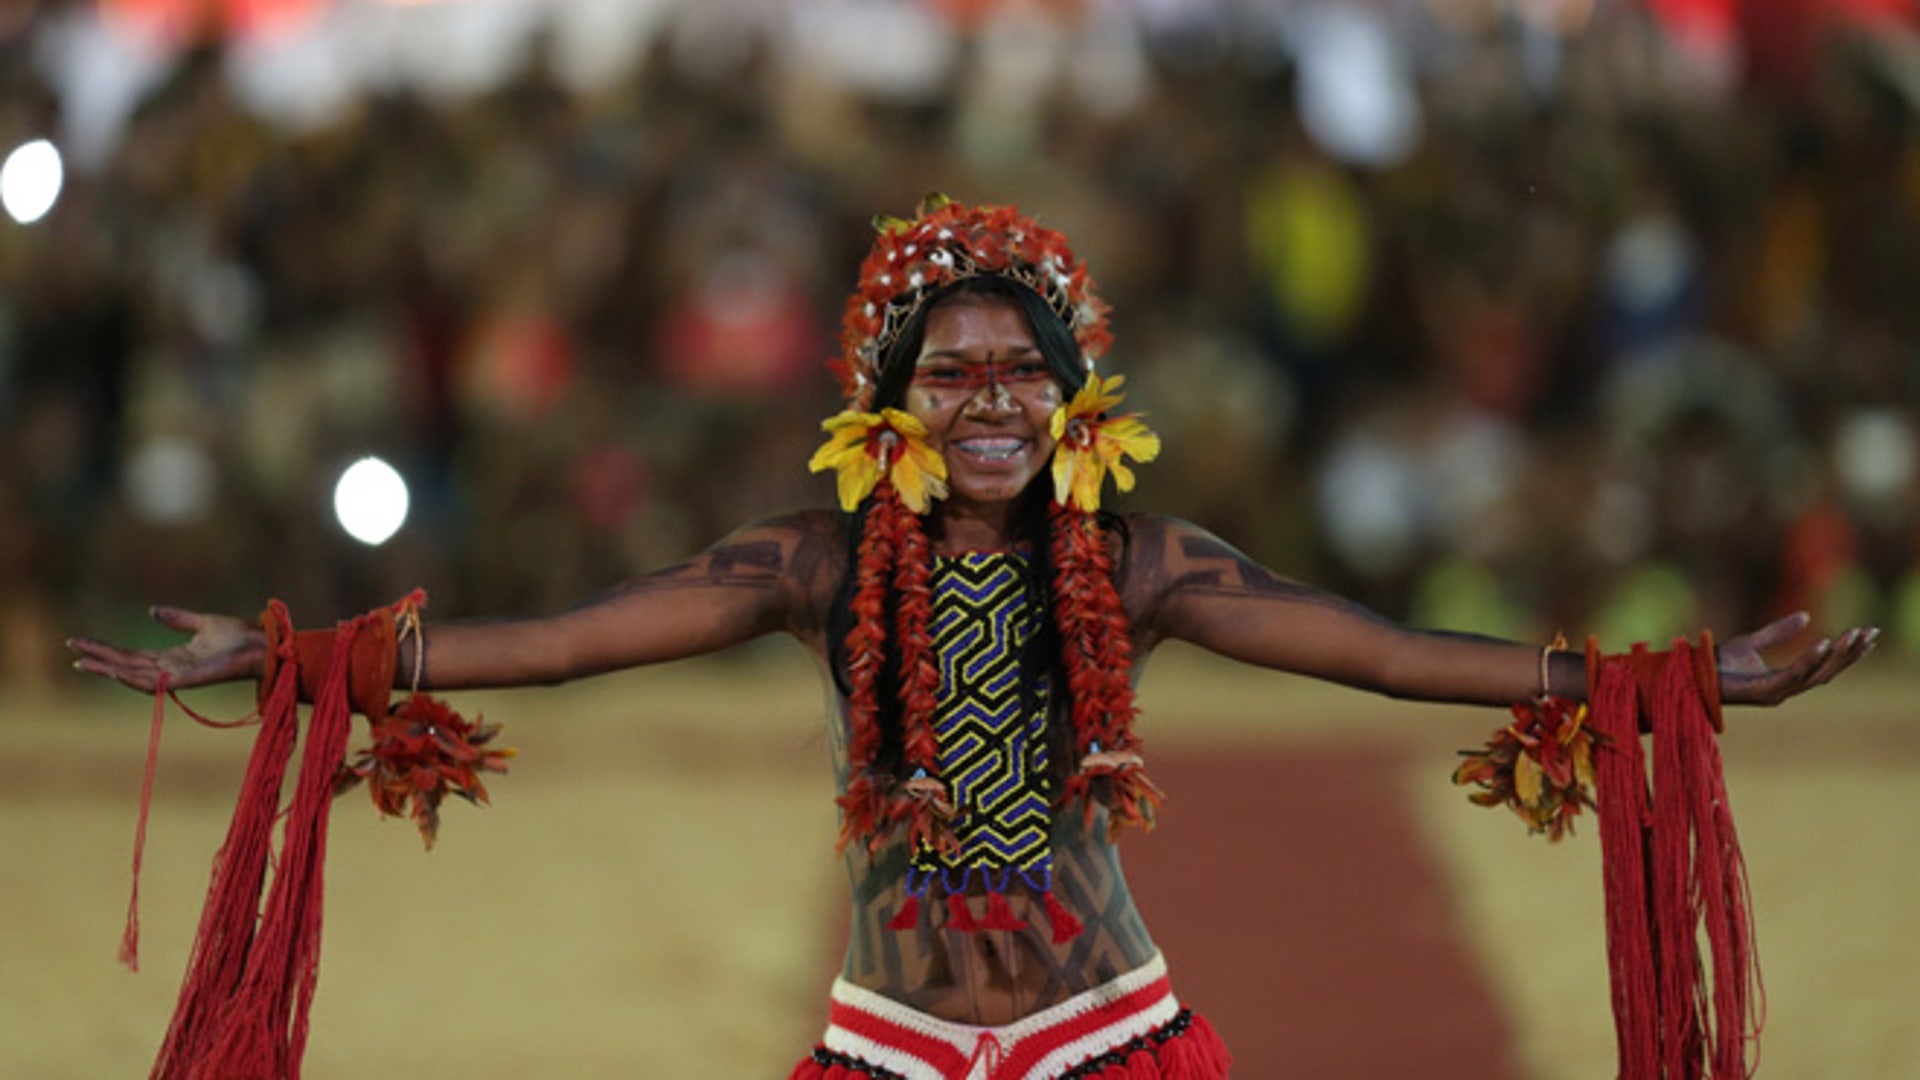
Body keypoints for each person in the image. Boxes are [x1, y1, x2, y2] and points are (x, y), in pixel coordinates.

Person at [70, 197, 1876, 1080]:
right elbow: (561, 644)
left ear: (1077, 400)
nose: (992, 399)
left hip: (1113, 1031)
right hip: (887, 1048)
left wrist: (1667, 683)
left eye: (1025, 371)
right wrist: (311, 659)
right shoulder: (809, 561)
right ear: (891, 402)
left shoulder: (1153, 562)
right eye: (955, 374)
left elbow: (1386, 653)